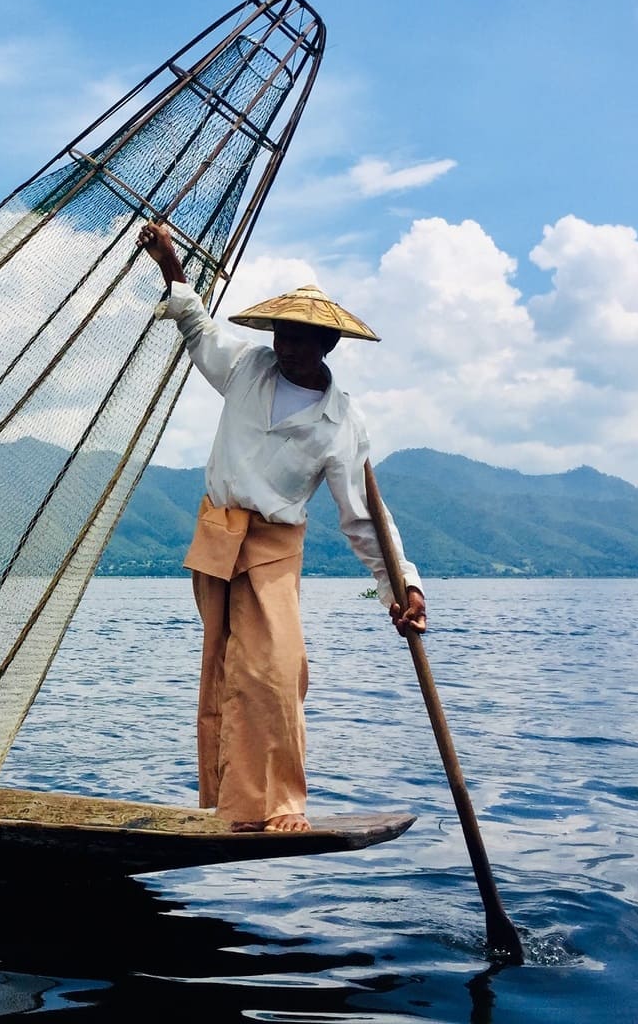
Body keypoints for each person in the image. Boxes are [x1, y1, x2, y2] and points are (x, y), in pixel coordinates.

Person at [139, 220, 427, 834]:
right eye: (283, 333)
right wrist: (169, 263)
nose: (289, 345)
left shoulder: (340, 422)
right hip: (218, 534)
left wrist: (403, 587)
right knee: (226, 671)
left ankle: (281, 806)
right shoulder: (247, 368)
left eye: (303, 338)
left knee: (275, 671)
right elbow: (197, 327)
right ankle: (236, 808)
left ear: (328, 345)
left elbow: (364, 519)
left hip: (273, 546)